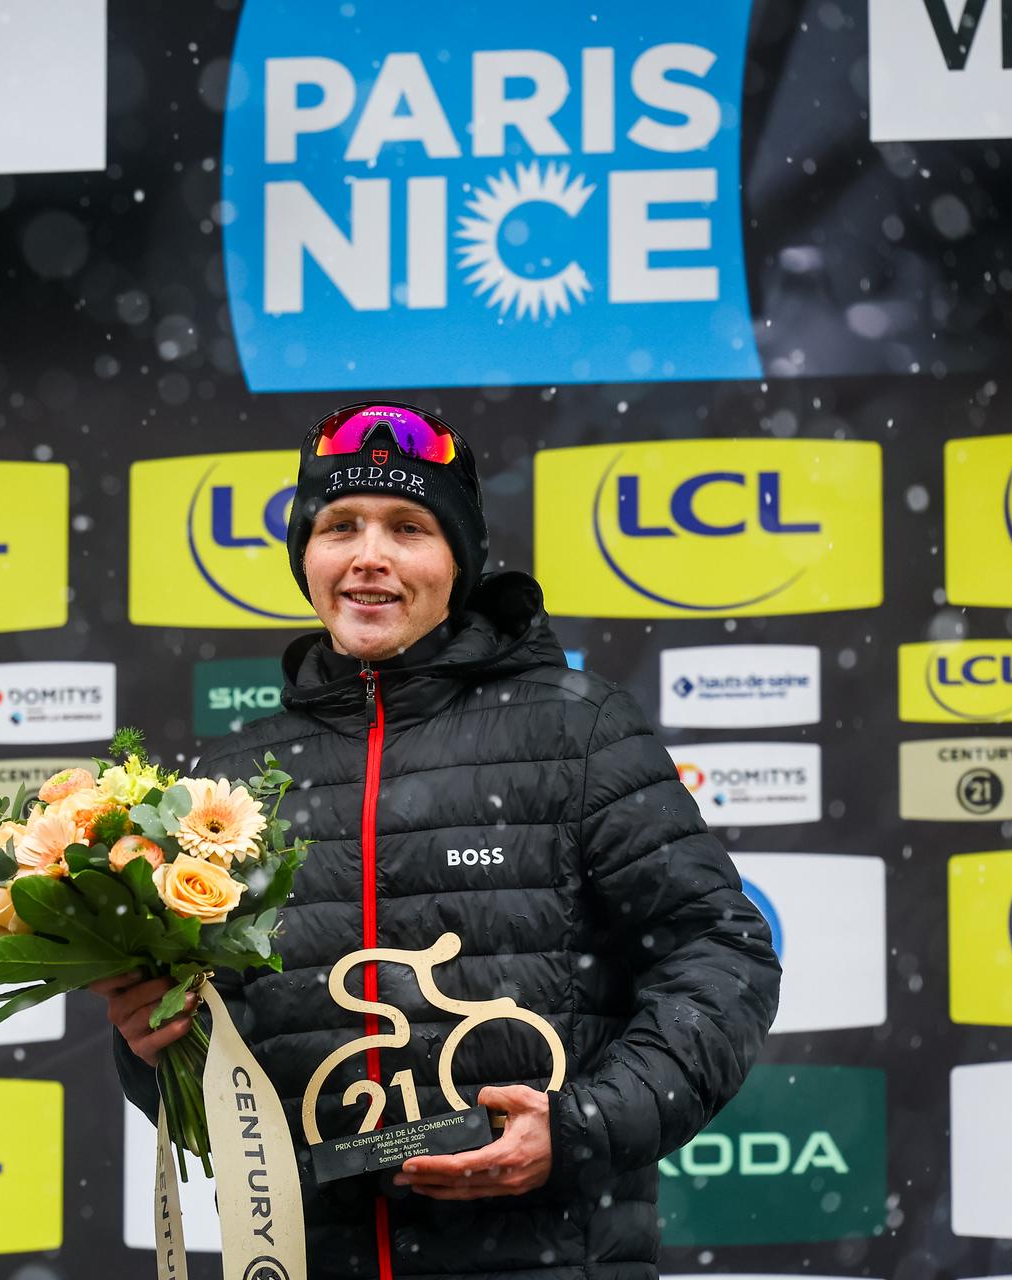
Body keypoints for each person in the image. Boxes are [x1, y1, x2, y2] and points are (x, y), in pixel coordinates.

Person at [98, 402, 782, 1279]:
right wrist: (149, 1040)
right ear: (306, 556)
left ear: (459, 561)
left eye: (409, 527)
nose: (368, 557)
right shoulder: (230, 782)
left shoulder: (577, 730)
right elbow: (212, 1079)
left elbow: (720, 956)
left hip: (544, 1258)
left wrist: (577, 1129)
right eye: (340, 525)